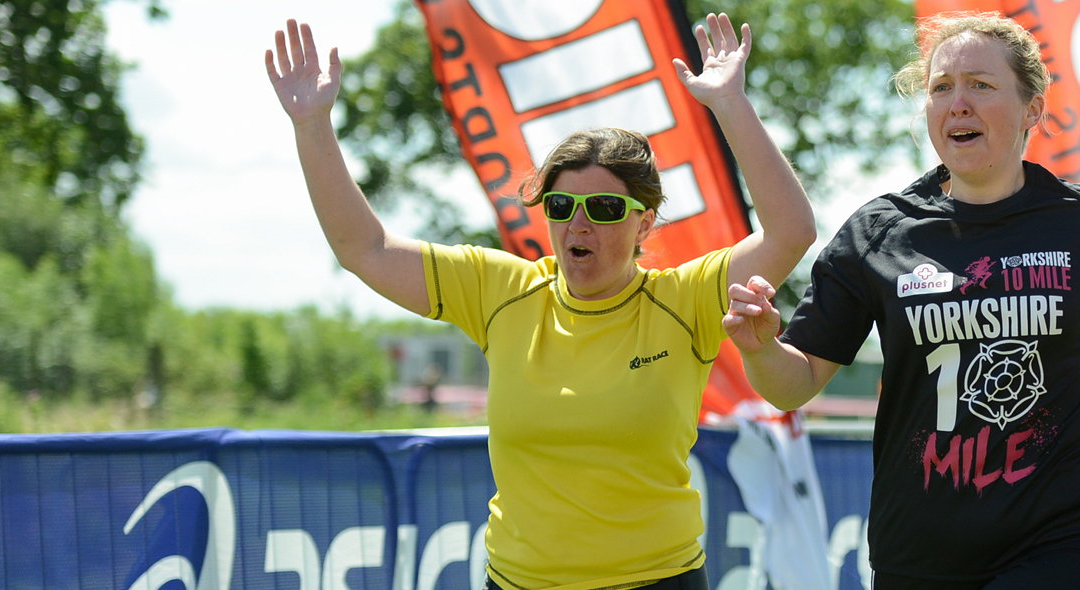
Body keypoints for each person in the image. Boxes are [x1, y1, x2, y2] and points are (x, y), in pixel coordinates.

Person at [263, 14, 814, 590]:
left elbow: (791, 232)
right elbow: (366, 249)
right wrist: (312, 125)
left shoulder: (683, 299)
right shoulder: (501, 291)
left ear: (644, 222)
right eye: (560, 207)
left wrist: (729, 104)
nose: (579, 224)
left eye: (603, 209)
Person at [721, 12, 1080, 590]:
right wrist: (760, 348)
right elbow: (796, 382)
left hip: (1067, 536)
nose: (958, 103)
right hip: (918, 554)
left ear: (1033, 109)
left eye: (981, 85)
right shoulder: (878, 234)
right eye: (941, 88)